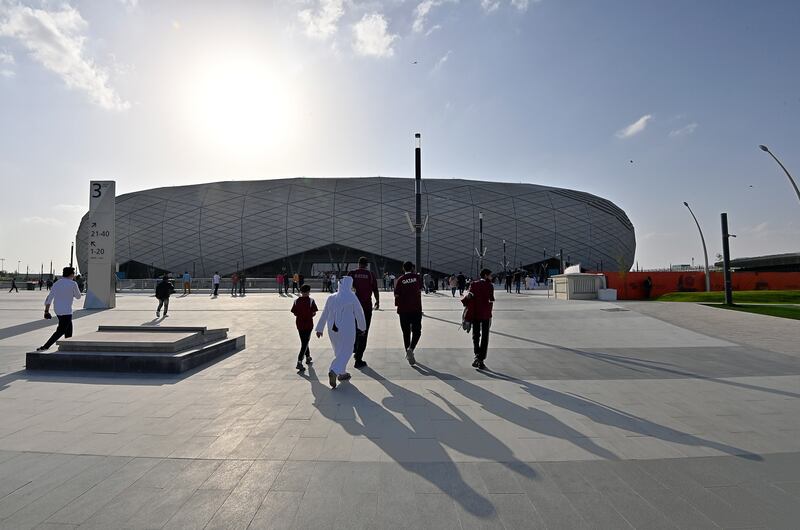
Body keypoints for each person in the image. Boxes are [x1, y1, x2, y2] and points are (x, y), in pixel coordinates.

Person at [315, 276, 366, 389]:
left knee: (338, 349)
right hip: (347, 327)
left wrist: (319, 328)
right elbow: (359, 313)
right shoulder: (351, 297)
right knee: (347, 349)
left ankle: (342, 373)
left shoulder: (331, 297)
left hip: (332, 328)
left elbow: (325, 313)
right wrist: (362, 327)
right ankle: (334, 370)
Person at [36, 267, 82, 351]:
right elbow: (78, 296)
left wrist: (46, 311)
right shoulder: (73, 284)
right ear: (71, 274)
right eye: (73, 273)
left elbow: (49, 298)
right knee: (61, 330)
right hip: (67, 311)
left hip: (57, 310)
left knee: (69, 328)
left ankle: (68, 346)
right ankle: (46, 346)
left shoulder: (57, 283)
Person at [349, 256, 380, 369]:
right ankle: (358, 358)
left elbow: (344, 288)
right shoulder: (370, 275)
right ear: (367, 265)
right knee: (364, 331)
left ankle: (354, 349)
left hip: (352, 307)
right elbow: (375, 289)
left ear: (358, 264)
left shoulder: (352, 273)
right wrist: (378, 301)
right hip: (366, 307)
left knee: (353, 329)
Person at [463, 268, 494, 370]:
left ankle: (477, 355)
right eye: (490, 275)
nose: (491, 277)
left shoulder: (474, 284)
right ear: (485, 275)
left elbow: (469, 296)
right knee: (485, 337)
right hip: (486, 314)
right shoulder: (490, 285)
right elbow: (491, 300)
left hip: (476, 314)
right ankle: (481, 359)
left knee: (476, 335)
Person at [394, 261, 423, 365]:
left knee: (406, 333)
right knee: (417, 331)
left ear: (403, 268)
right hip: (416, 309)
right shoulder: (417, 277)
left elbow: (396, 294)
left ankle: (408, 352)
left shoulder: (400, 280)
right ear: (412, 268)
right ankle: (411, 348)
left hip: (403, 310)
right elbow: (420, 288)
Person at [291, 284, 317, 372]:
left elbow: (294, 313)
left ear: (301, 292)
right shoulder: (311, 301)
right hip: (308, 324)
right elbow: (314, 313)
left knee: (304, 341)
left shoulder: (296, 301)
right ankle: (299, 361)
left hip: (299, 324)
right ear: (309, 292)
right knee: (305, 343)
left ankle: (308, 357)